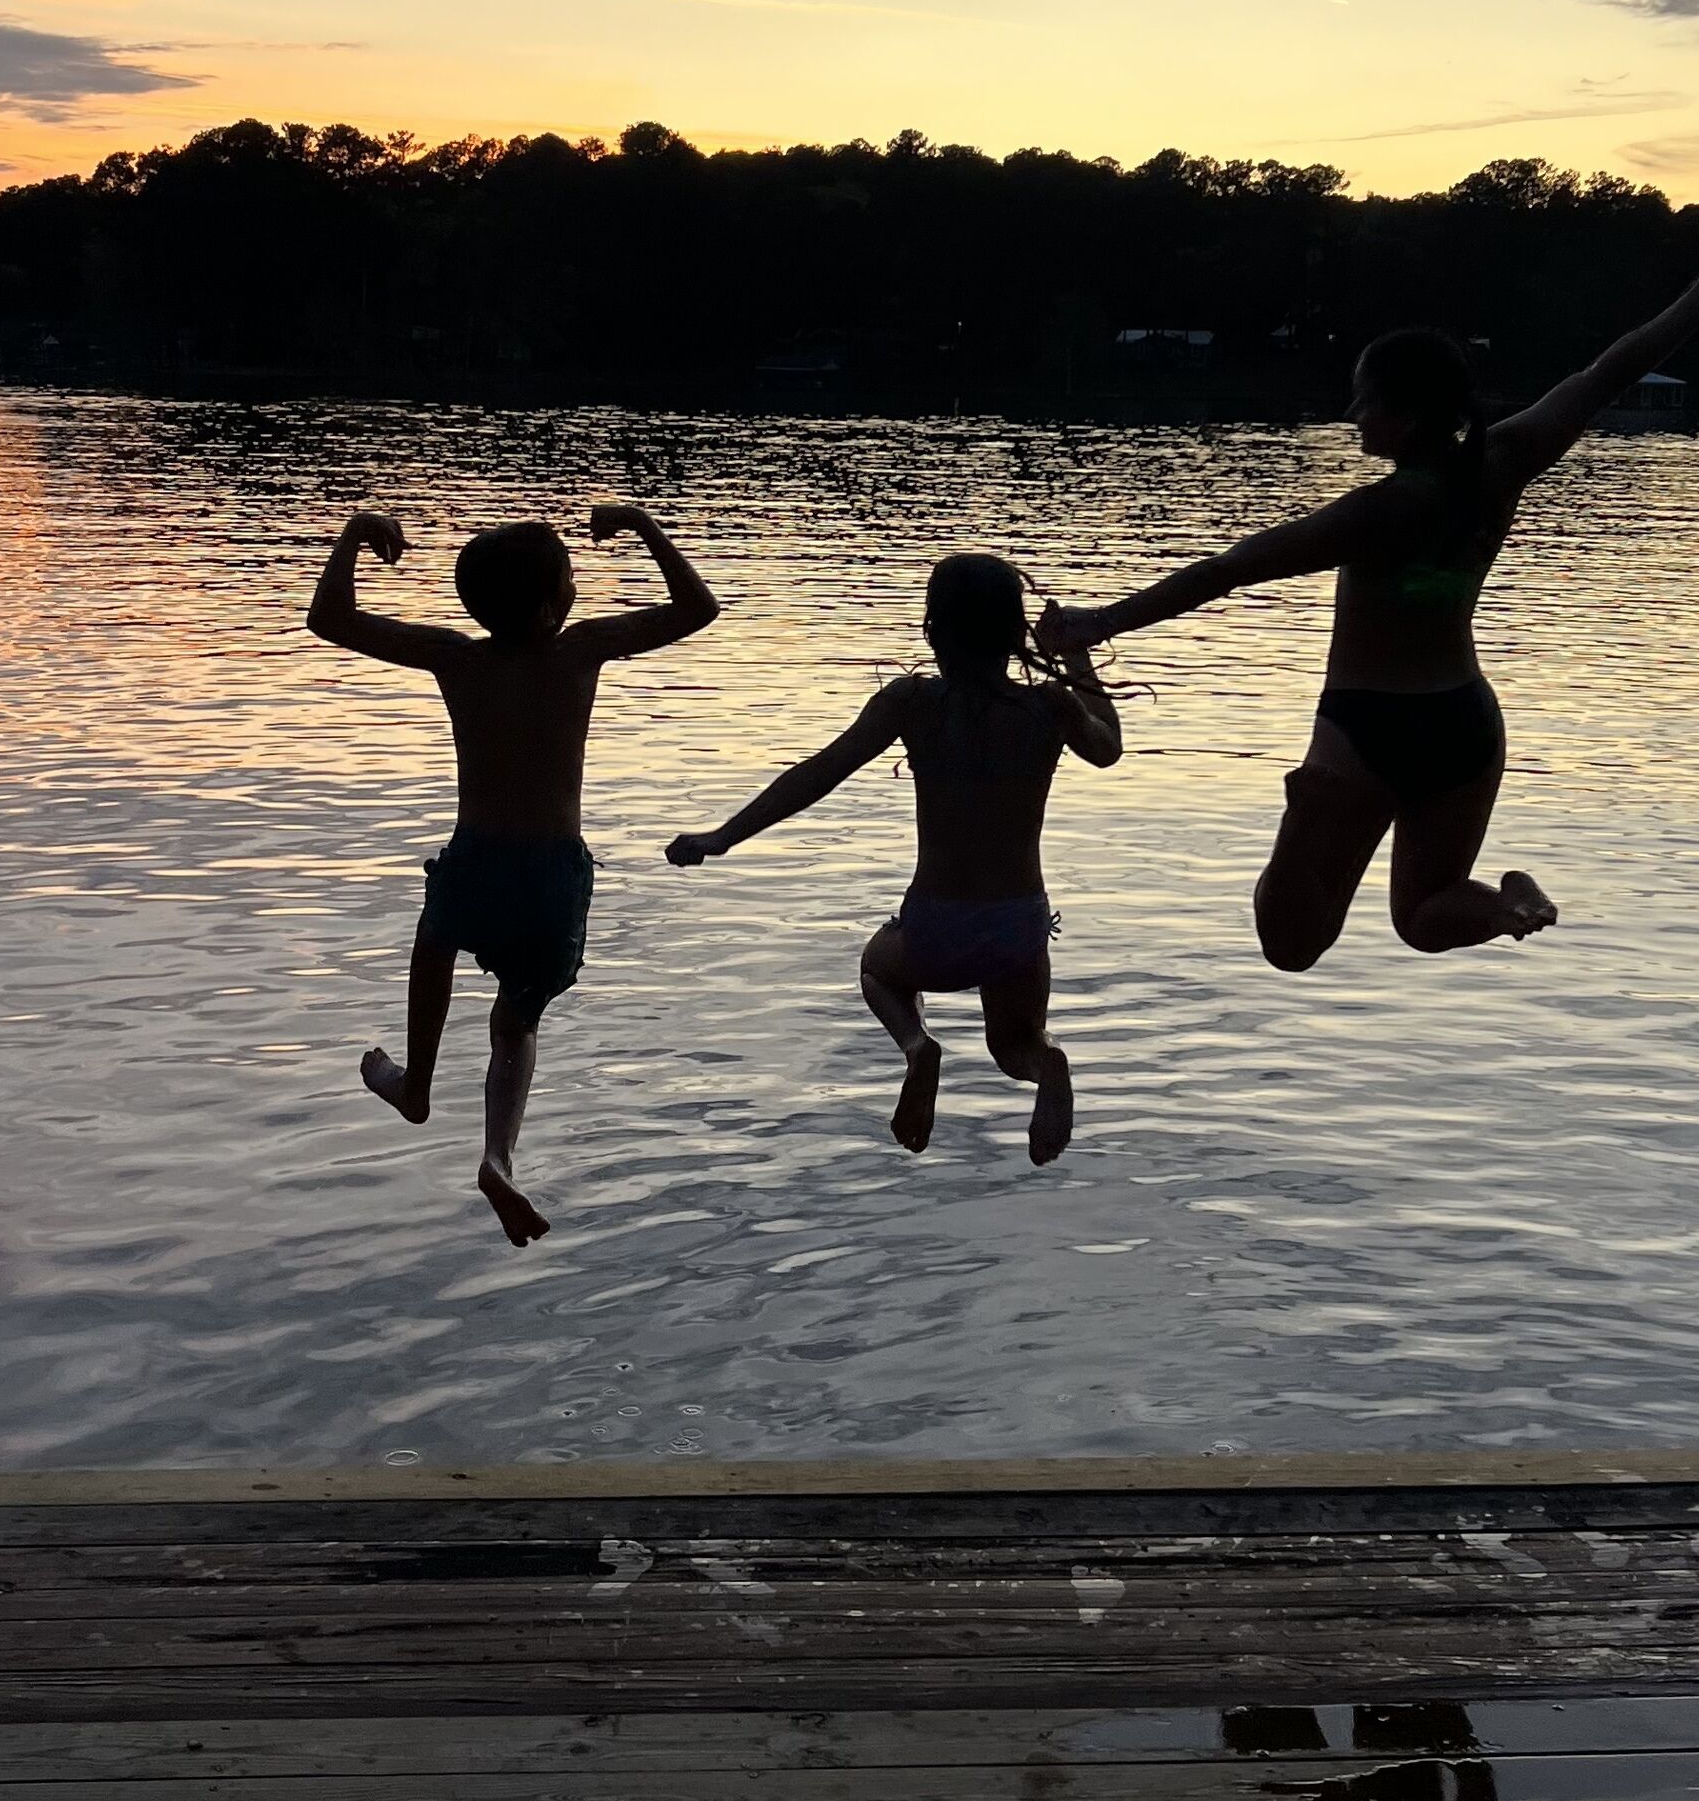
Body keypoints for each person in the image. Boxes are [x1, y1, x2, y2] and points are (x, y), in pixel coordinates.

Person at [1038, 217, 1699, 974]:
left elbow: (1224, 571)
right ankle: (1507, 907)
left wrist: (1101, 621)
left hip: (1369, 725)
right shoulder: (1503, 462)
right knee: (1423, 918)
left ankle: (1308, 812)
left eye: (1366, 401)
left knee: (1291, 944)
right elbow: (1614, 369)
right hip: (1463, 722)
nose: (1354, 414)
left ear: (1409, 416)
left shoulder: (1377, 513)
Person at [306, 500, 719, 1247]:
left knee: (435, 945)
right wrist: (640, 525)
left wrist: (357, 533)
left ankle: (417, 1085)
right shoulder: (582, 649)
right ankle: (497, 1156)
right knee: (516, 1021)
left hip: (480, 858)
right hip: (553, 872)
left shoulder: (456, 657)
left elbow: (330, 620)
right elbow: (697, 608)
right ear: (557, 600)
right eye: (571, 576)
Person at [666, 553, 1121, 1165]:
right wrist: (1075, 655)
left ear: (934, 631)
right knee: (1017, 1047)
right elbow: (1108, 748)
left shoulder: (913, 702)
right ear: (1016, 635)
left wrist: (723, 835)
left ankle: (917, 1047)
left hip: (937, 922)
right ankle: (1051, 1068)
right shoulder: (1050, 707)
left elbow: (819, 773)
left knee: (878, 969)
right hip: (1020, 923)